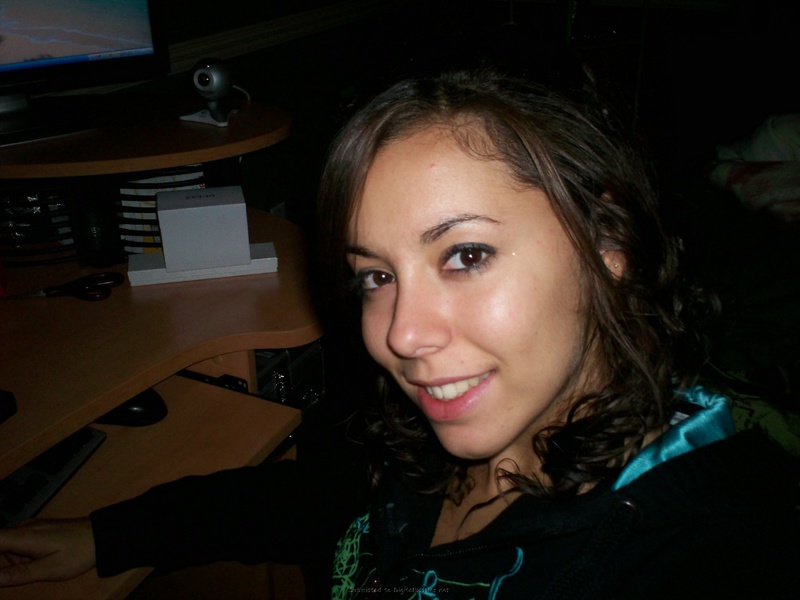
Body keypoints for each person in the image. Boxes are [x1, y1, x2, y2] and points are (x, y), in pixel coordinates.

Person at [1, 68, 798, 599]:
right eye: (375, 277)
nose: (403, 337)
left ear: (608, 246)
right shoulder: (438, 439)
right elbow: (324, 499)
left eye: (466, 255)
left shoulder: (720, 548)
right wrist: (108, 534)